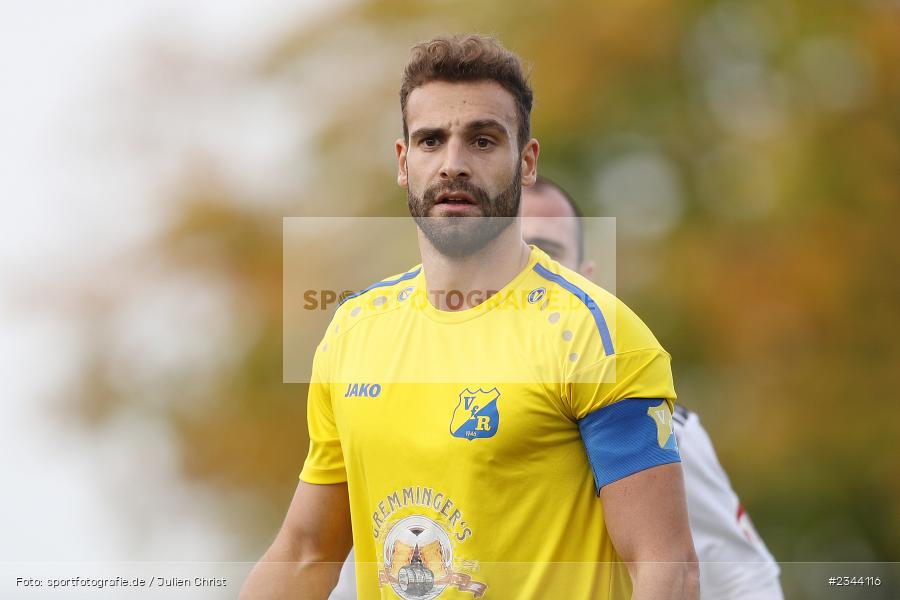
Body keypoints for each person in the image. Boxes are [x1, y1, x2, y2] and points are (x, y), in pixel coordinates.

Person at [240, 34, 699, 600]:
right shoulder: (352, 333)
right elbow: (306, 554)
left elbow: (667, 568)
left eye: (483, 140)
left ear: (526, 162)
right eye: (431, 140)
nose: (453, 165)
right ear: (404, 162)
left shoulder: (595, 336)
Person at [520, 177, 784, 599]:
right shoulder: (427, 402)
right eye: (509, 253)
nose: (527, 271)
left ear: (588, 280)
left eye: (546, 252)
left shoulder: (657, 424)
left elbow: (745, 583)